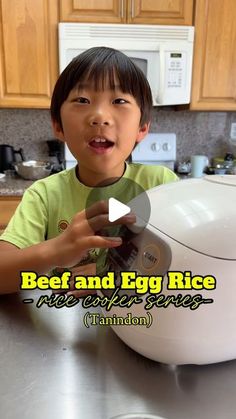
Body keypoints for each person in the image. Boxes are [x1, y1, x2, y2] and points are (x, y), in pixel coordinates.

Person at [0, 46, 178, 295]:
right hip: (58, 324)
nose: (99, 116)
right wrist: (55, 250)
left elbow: (188, 262)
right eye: (82, 100)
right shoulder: (44, 195)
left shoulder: (162, 185)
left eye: (119, 101)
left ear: (142, 128)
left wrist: (113, 275)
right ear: (58, 126)